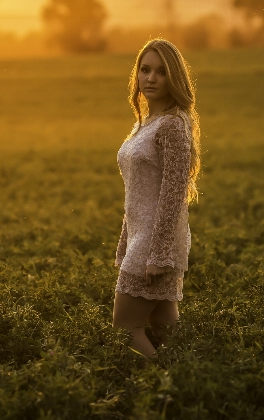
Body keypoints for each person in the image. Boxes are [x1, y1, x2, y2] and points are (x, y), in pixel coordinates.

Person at [112, 38, 201, 359]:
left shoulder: (174, 126)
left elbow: (173, 195)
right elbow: (136, 194)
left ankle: (165, 388)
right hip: (142, 241)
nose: (150, 78)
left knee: (125, 329)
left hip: (155, 244)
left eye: (161, 72)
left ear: (174, 78)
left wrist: (159, 254)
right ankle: (190, 386)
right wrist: (125, 243)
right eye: (145, 70)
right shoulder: (144, 124)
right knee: (165, 328)